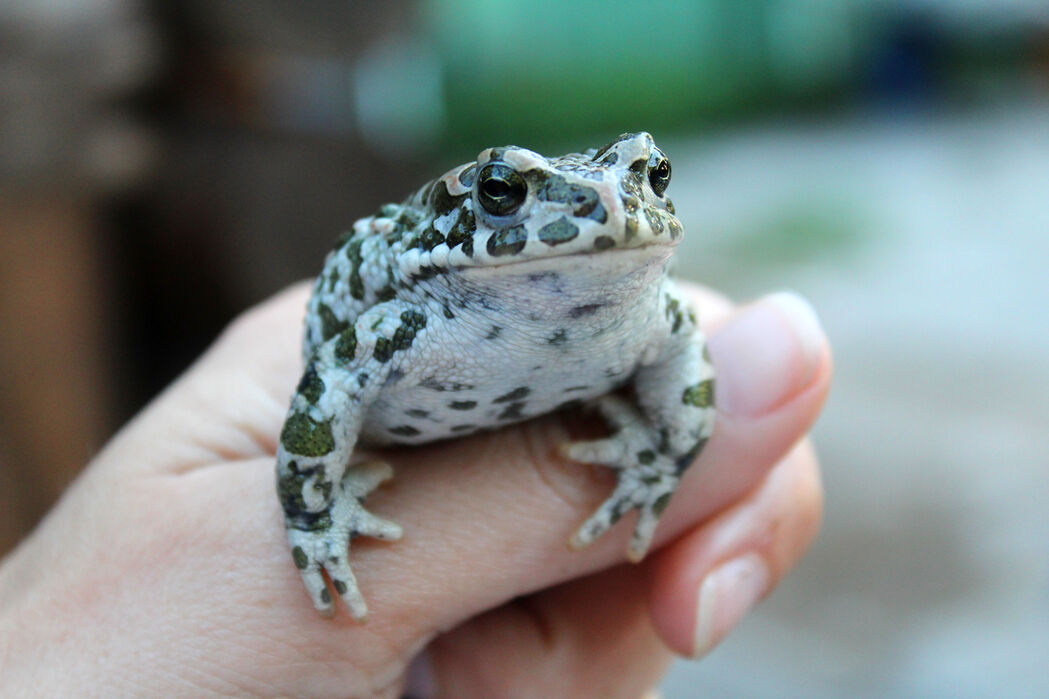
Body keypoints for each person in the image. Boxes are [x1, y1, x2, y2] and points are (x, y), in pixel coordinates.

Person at [0, 282, 830, 697]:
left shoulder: (644, 302)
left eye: (648, 185)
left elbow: (679, 339)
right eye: (508, 195)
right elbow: (328, 385)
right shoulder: (420, 308)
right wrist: (310, 508)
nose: (607, 212)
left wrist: (663, 454)